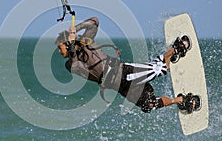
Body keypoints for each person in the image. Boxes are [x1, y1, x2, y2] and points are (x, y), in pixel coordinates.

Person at [55, 17, 201, 113]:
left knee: (161, 69)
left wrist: (77, 28)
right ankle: (181, 100)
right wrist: (73, 43)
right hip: (120, 87)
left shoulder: (86, 42)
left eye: (59, 46)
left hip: (124, 73)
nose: (58, 50)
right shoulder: (70, 65)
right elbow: (76, 65)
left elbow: (94, 22)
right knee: (148, 105)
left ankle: (176, 49)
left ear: (67, 43)